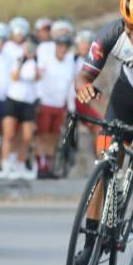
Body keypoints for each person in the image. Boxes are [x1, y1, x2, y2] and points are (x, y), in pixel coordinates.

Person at [74, 0, 133, 265]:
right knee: (105, 162)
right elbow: (83, 77)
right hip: (125, 97)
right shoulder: (111, 34)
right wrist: (83, 88)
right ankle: (90, 243)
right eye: (131, 27)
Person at [0, 37, 41, 179]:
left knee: (27, 136)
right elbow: (14, 77)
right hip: (13, 99)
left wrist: (34, 60)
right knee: (9, 134)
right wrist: (23, 61)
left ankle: (19, 164)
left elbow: (38, 77)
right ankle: (5, 164)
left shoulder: (37, 60)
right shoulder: (17, 58)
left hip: (28, 101)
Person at [35, 35, 76, 178]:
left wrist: (71, 106)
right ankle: (40, 164)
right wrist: (38, 98)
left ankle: (48, 165)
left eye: (65, 47)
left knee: (53, 135)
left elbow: (70, 85)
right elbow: (39, 80)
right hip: (45, 102)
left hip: (59, 104)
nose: (62, 49)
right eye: (60, 46)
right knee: (42, 134)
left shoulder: (69, 64)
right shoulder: (47, 60)